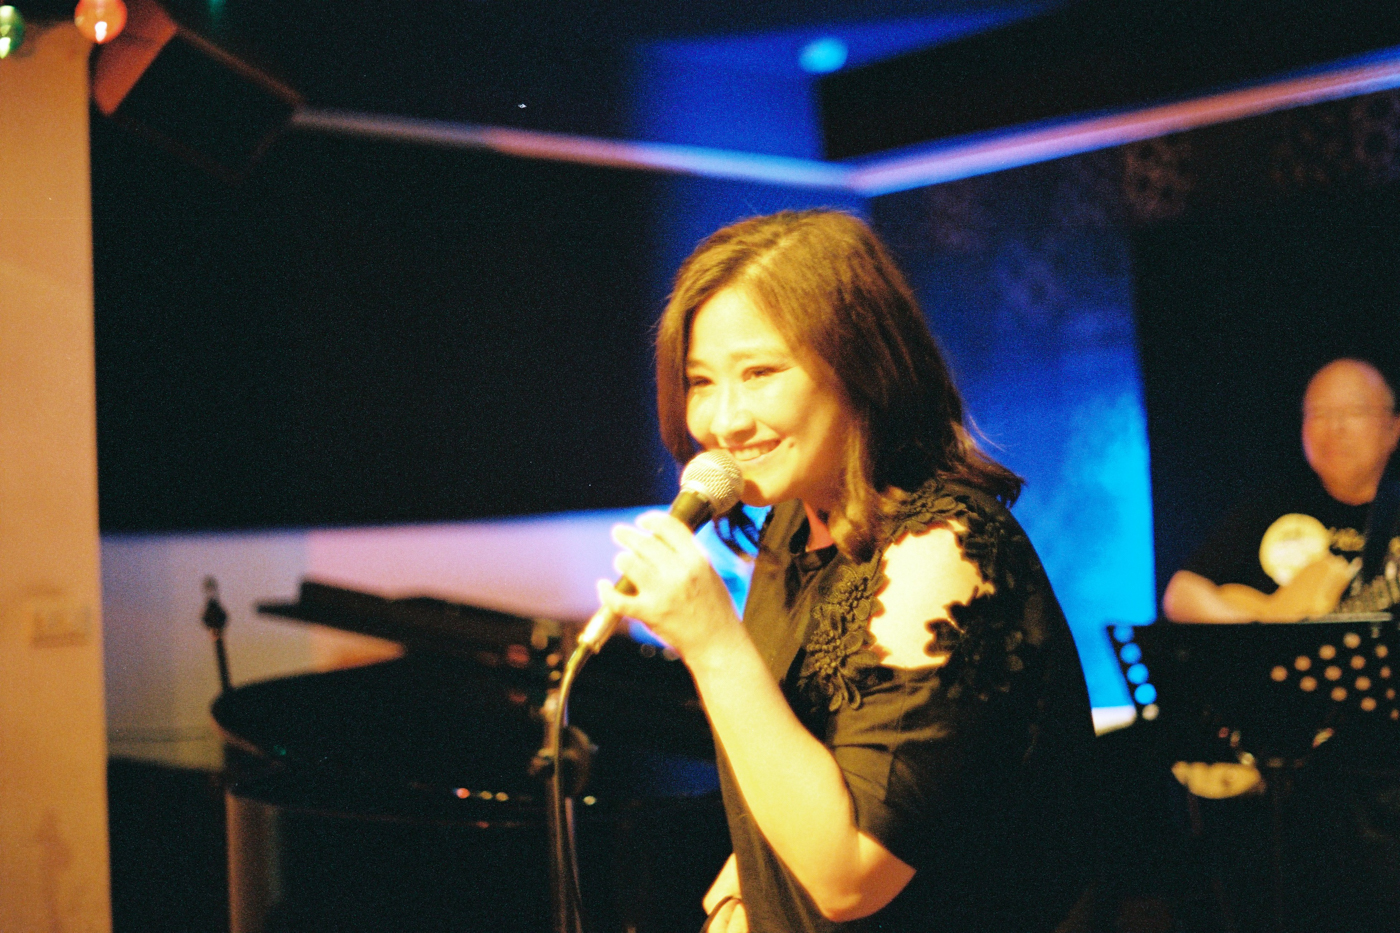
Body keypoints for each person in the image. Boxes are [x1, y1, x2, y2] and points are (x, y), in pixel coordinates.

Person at [596, 210, 1097, 933]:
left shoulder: (941, 548)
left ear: (858, 365)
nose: (724, 421)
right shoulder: (792, 524)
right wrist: (749, 879)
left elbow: (849, 876)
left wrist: (712, 641)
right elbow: (817, 755)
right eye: (701, 381)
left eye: (760, 373)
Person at [1162, 358, 1400, 624]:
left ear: (1393, 428)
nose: (1336, 427)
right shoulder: (1270, 505)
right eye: (1319, 413)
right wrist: (1263, 637)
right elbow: (1182, 593)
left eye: (1354, 411)